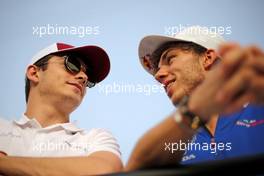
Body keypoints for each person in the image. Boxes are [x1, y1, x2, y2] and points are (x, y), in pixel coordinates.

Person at [126, 26, 264, 170]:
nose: (158, 75)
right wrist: (193, 112)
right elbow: (134, 168)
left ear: (208, 58)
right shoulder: (175, 140)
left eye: (170, 59)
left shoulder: (259, 104)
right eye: (158, 68)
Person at [0, 43, 123, 175]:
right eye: (72, 64)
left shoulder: (96, 139)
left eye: (89, 79)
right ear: (34, 73)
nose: (84, 77)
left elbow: (106, 170)